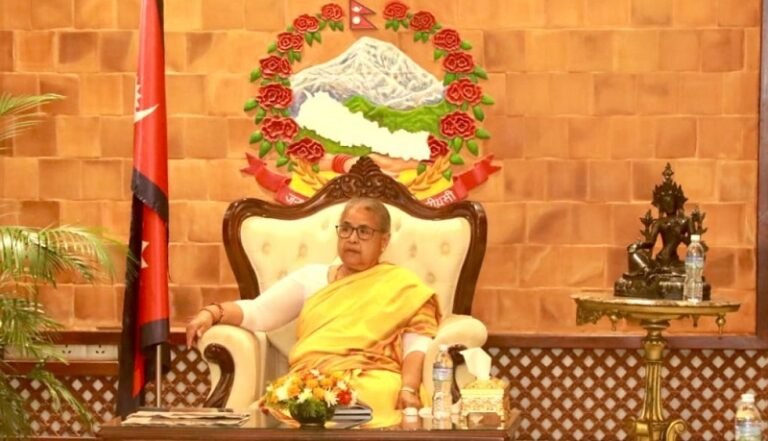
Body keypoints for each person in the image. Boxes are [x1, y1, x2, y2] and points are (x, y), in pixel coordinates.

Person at [186, 197, 441, 427]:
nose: (352, 238)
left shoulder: (402, 286)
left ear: (383, 241)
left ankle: (341, 418)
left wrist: (409, 388)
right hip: (316, 379)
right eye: (346, 229)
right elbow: (258, 312)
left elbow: (416, 346)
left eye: (364, 231)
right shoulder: (312, 278)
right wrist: (213, 313)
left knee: (371, 396)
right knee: (309, 396)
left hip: (374, 378)